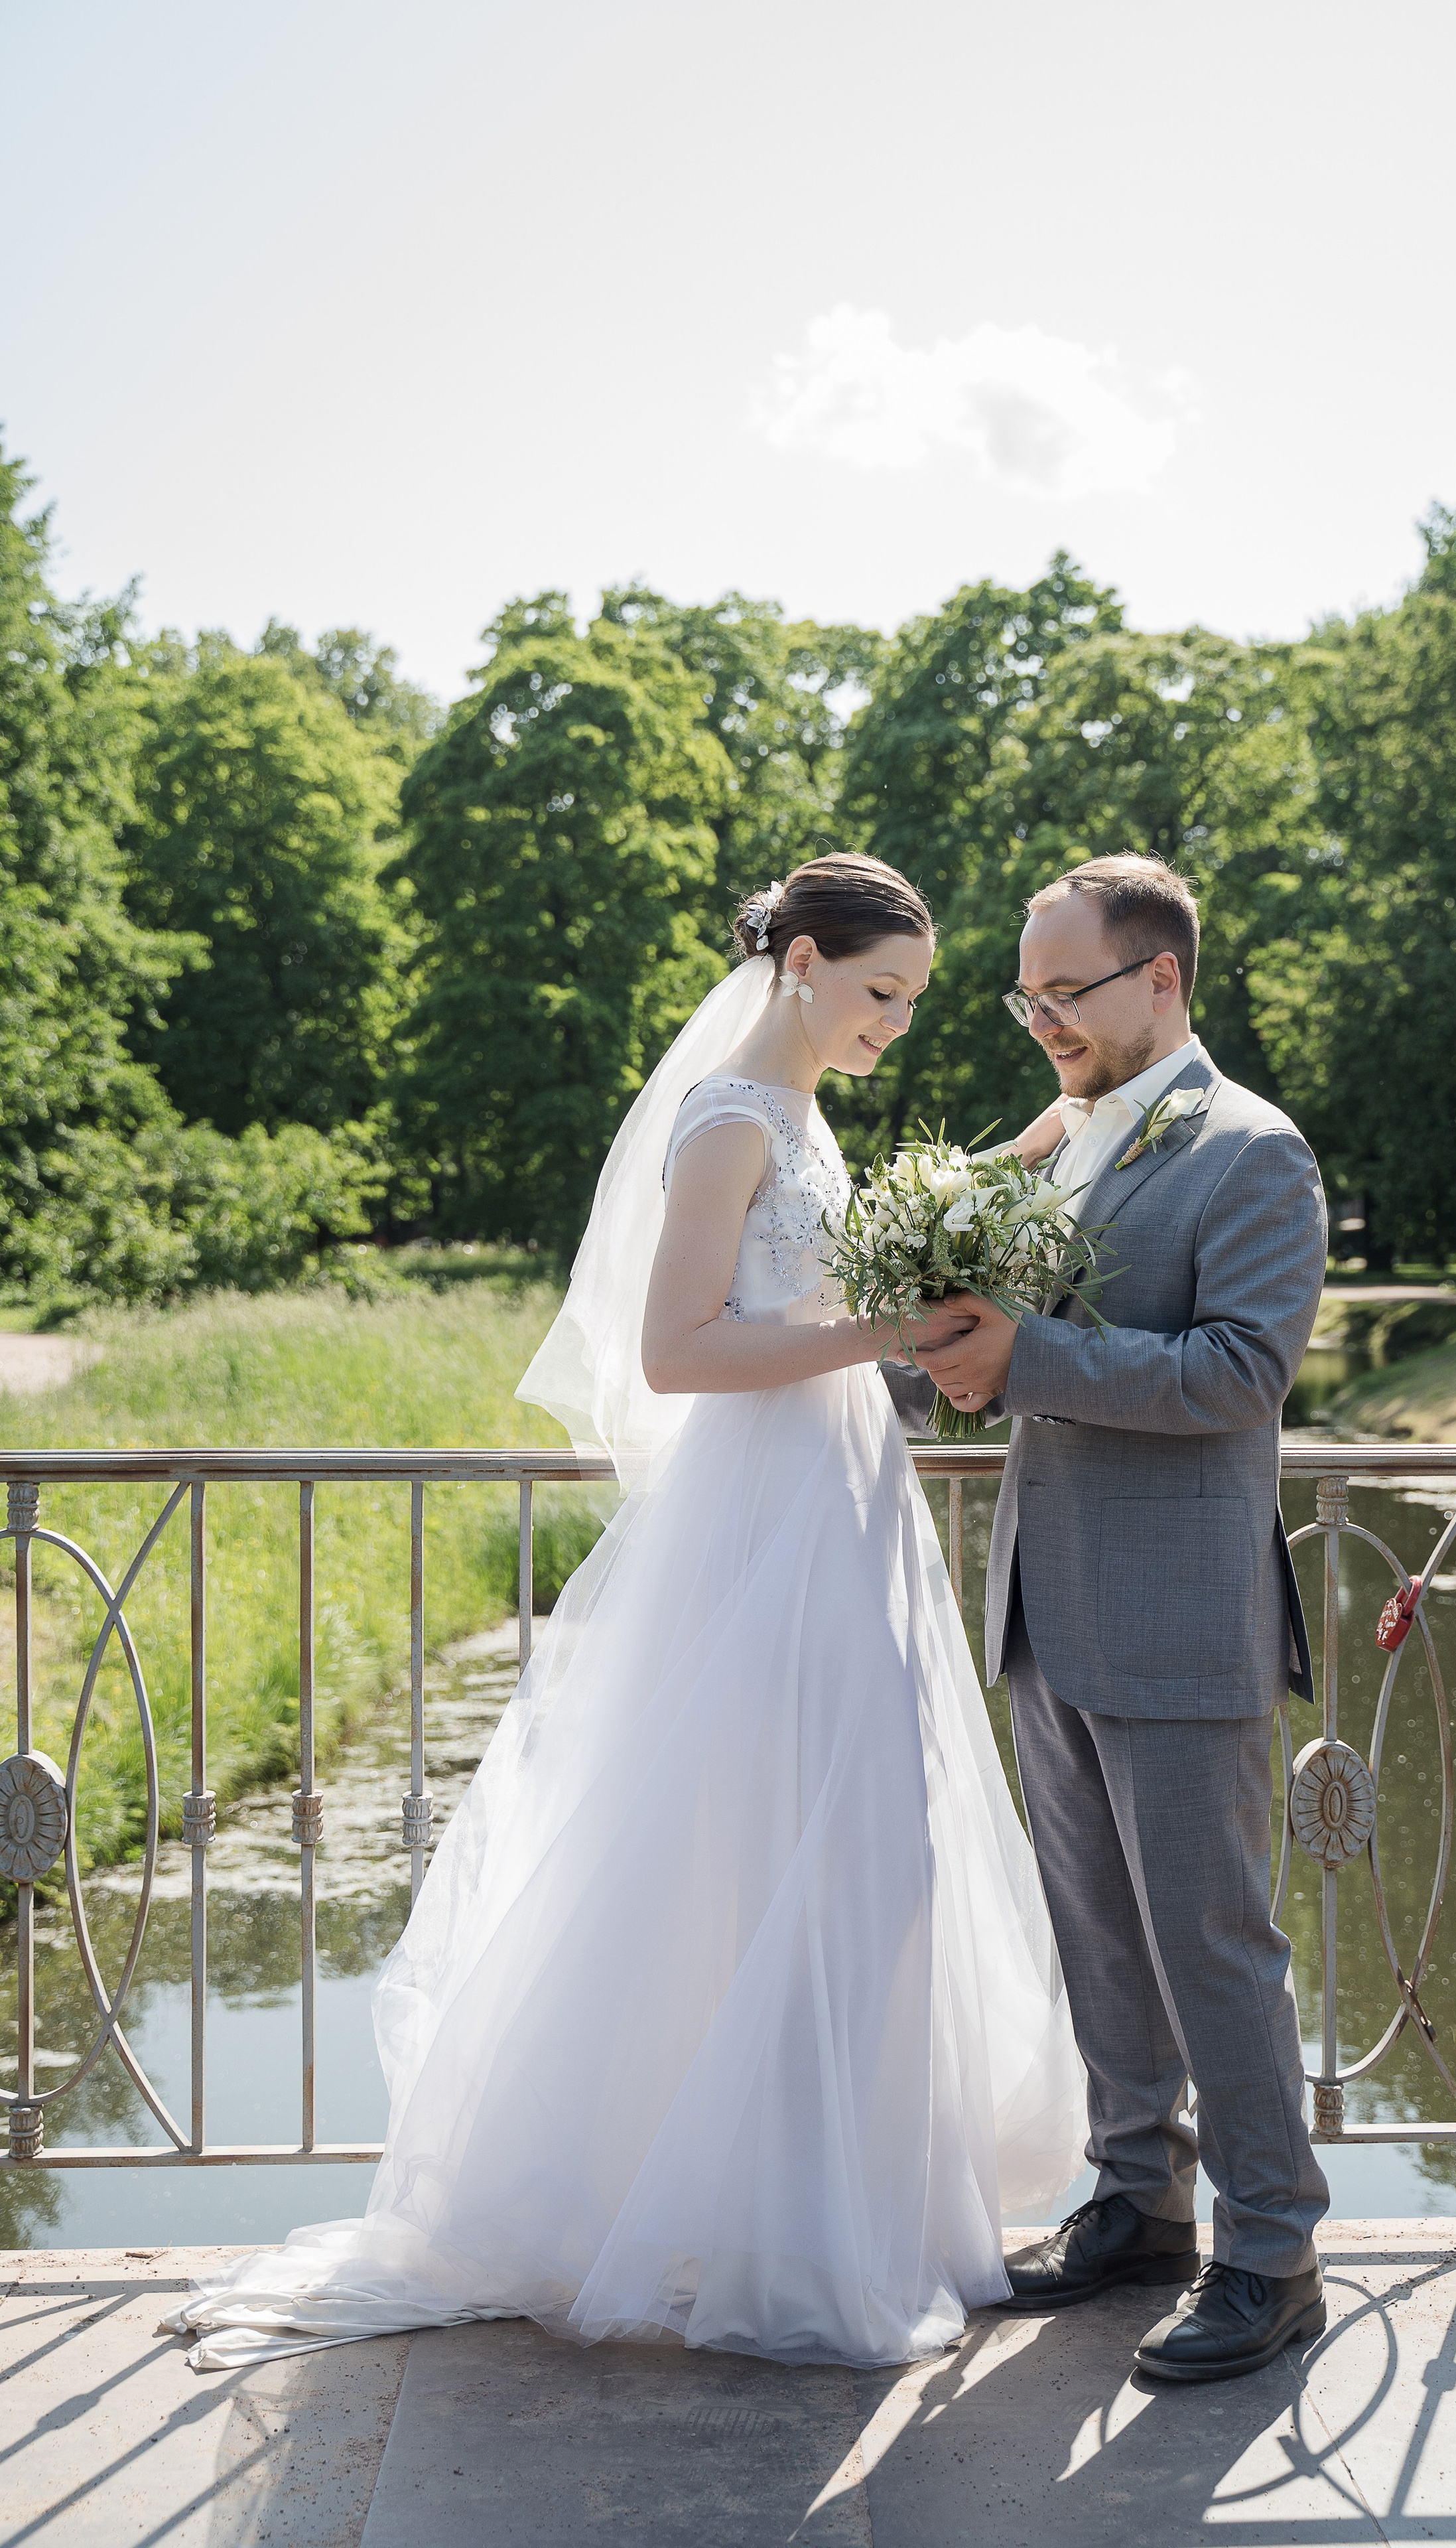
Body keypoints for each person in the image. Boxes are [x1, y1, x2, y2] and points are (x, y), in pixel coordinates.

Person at [168, 853, 1087, 2373]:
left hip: (841, 1497)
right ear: (796, 960)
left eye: (911, 1003)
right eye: (877, 994)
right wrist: (894, 1335)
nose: (893, 1027)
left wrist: (1026, 1162)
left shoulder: (803, 1119)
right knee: (770, 1847)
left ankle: (829, 2205)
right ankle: (770, 2228)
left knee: (862, 1849)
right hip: (769, 1513)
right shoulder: (728, 1118)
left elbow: (816, 1279)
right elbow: (677, 1352)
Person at [903, 852, 1331, 2386]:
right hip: (1047, 1604)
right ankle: (1134, 2200)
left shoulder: (1252, 1154)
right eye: (1024, 996)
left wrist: (1021, 1358)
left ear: (1159, 979)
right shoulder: (1072, 1137)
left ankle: (1271, 2254)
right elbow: (1000, 1337)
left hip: (1177, 1616)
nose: (1038, 1022)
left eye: (1062, 992)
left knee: (1211, 1947)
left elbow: (1235, 1376)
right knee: (1097, 1934)